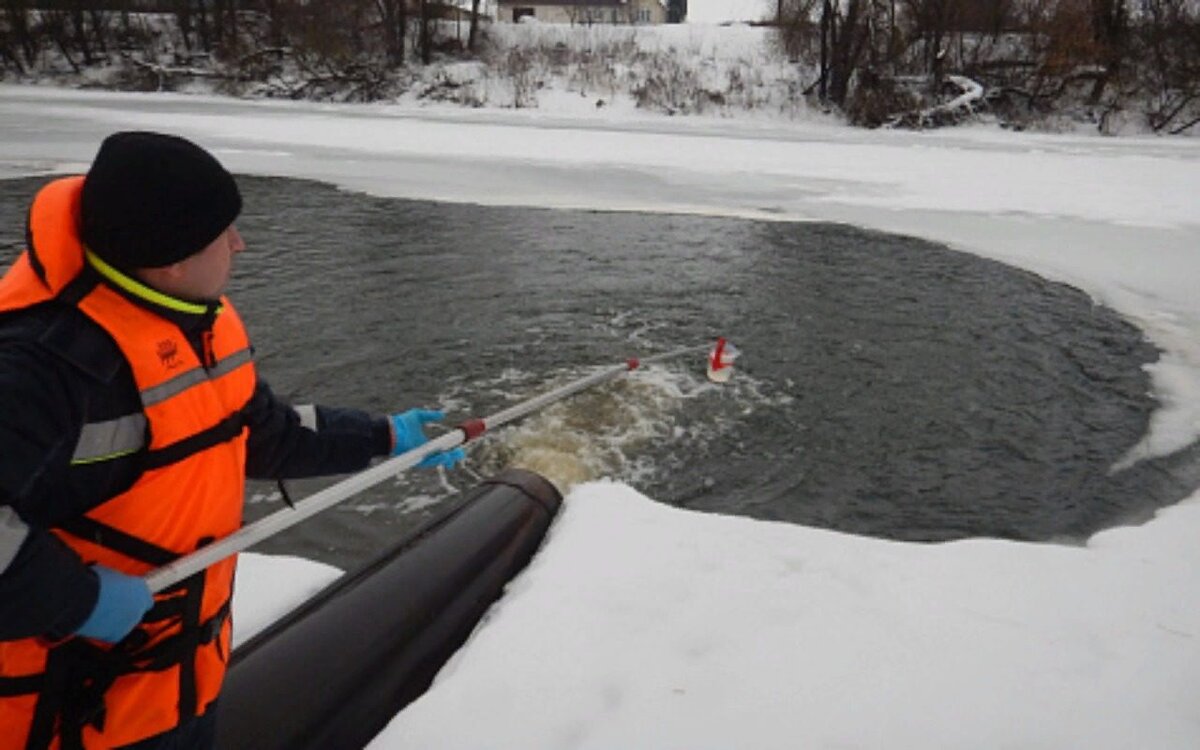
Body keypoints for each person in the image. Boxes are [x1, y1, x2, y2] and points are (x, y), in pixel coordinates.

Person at [0, 131, 464, 750]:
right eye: (225, 232)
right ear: (172, 257)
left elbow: (260, 435)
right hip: (66, 712)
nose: (240, 244)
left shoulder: (195, 319)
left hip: (179, 686)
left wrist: (384, 436)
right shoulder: (39, 367)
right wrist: (77, 600)